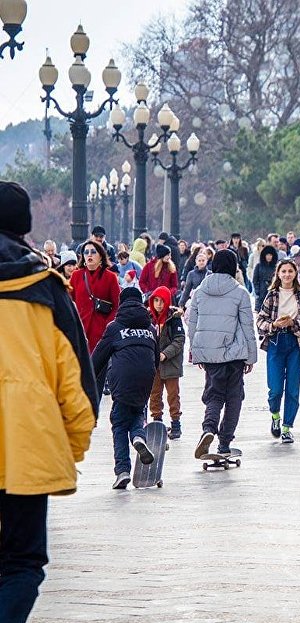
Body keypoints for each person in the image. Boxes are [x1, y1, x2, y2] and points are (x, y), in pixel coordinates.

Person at [0, 182, 97, 623]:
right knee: (22, 564)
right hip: (27, 448)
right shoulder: (47, 289)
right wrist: (67, 449)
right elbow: (78, 387)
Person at [189, 249, 258, 457]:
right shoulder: (240, 292)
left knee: (214, 395)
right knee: (234, 397)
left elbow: (192, 324)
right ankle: (224, 443)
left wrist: (197, 351)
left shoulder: (200, 291)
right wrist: (251, 357)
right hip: (234, 353)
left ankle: (208, 429)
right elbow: (247, 327)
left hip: (209, 353)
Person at [91, 288, 159, 489]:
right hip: (145, 377)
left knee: (119, 424)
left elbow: (98, 358)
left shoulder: (115, 327)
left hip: (122, 378)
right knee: (138, 410)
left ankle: (122, 471)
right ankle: (138, 435)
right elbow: (156, 358)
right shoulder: (151, 328)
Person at [256, 259, 300, 443]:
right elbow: (260, 321)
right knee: (274, 389)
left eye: (290, 271)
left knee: (292, 389)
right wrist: (273, 324)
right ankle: (275, 415)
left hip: (296, 343)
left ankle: (287, 427)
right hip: (275, 342)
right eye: (284, 271)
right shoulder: (272, 295)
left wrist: (293, 323)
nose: (287, 274)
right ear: (278, 274)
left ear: (295, 273)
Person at [69, 240, 121, 353]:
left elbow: (118, 305)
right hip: (81, 330)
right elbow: (68, 302)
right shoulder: (76, 276)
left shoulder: (110, 277)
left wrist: (108, 324)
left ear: (101, 256)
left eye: (93, 252)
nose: (89, 255)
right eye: (86, 252)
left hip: (102, 331)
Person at [147, 286, 186, 439]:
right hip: (154, 364)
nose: (158, 304)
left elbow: (179, 340)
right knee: (154, 394)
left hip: (171, 364)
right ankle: (157, 423)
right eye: (156, 300)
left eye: (162, 301)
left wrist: (165, 354)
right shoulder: (148, 319)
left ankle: (176, 424)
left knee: (173, 395)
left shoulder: (173, 319)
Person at [253, 244, 278, 312]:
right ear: (264, 255)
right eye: (267, 255)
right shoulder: (258, 266)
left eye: (270, 255)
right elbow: (255, 280)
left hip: (273, 292)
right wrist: (257, 291)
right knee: (260, 312)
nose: (269, 257)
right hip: (261, 292)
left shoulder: (276, 267)